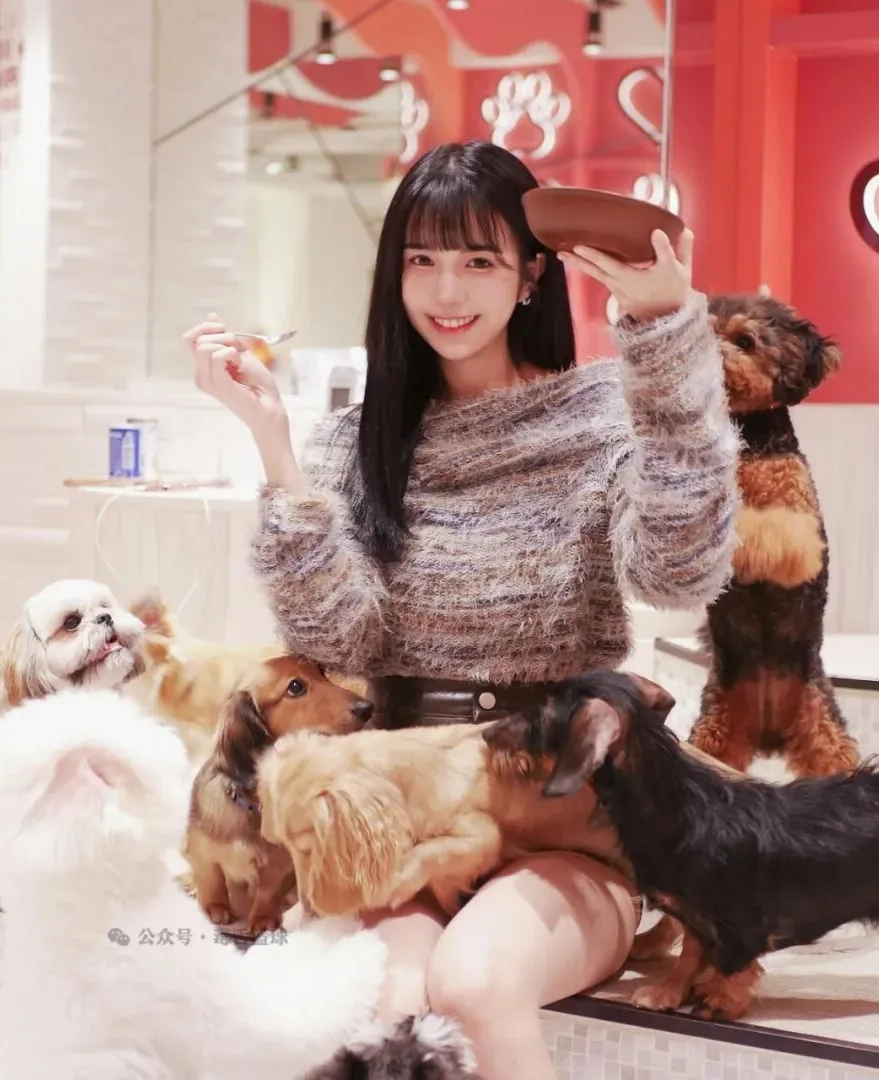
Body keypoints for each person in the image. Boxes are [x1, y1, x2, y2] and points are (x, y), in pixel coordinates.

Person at [185, 140, 739, 1080]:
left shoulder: (598, 415)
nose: (448, 289)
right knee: (392, 999)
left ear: (531, 275)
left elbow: (679, 575)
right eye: (423, 259)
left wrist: (666, 343)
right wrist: (275, 447)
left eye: (480, 260)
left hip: (566, 804)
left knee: (475, 984)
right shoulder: (356, 442)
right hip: (402, 806)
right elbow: (335, 642)